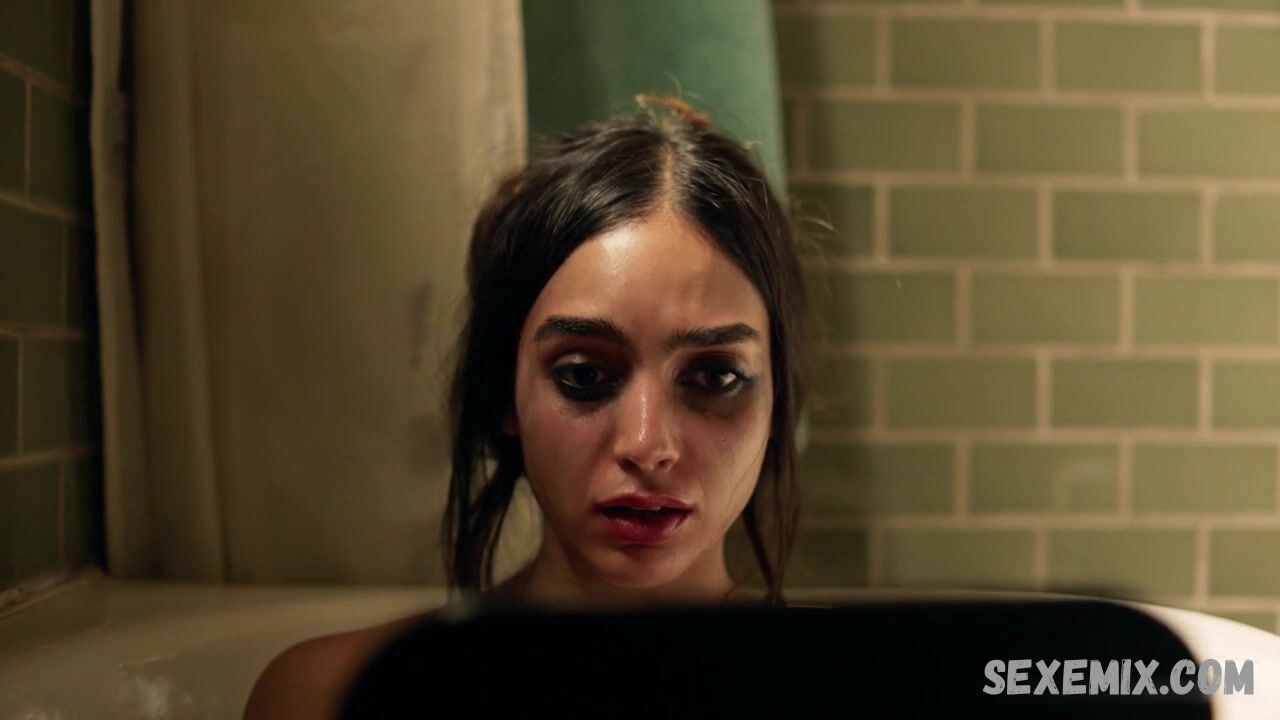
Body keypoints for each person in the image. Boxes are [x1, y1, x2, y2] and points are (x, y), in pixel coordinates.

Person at [244, 95, 811, 718]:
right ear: (504, 391)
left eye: (715, 377)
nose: (647, 446)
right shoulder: (327, 696)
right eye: (584, 376)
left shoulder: (860, 691)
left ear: (778, 402)